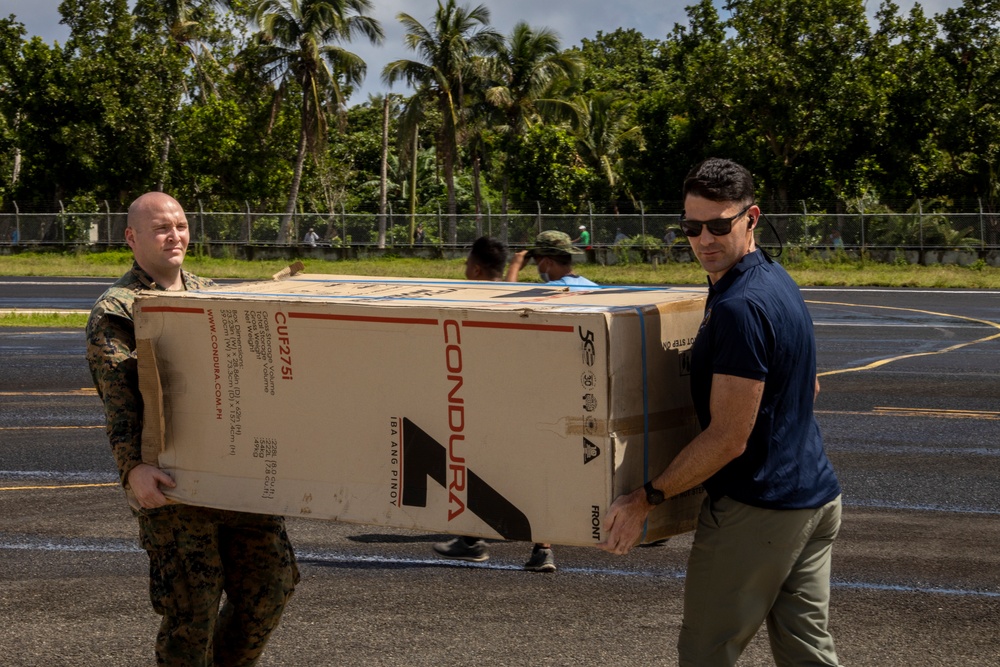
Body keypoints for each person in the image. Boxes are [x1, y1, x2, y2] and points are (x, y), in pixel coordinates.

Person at [598, 158, 842, 667]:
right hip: (815, 498)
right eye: (691, 227)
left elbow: (730, 438)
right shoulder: (775, 279)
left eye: (718, 225)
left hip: (760, 509)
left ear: (751, 218)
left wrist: (648, 498)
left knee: (706, 653)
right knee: (807, 653)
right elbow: (808, 386)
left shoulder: (739, 307)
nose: (703, 239)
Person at [86, 192, 299, 666]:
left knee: (270, 588)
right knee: (193, 609)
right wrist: (133, 470)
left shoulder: (211, 295)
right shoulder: (118, 310)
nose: (175, 235)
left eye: (180, 225)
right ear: (132, 238)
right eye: (161, 228)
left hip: (235, 476)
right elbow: (121, 406)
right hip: (173, 481)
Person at [432, 236, 559, 573]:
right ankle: (542, 550)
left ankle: (472, 542)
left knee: (468, 463)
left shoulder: (469, 298)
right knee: (533, 471)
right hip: (527, 396)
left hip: (485, 398)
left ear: (474, 269)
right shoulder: (517, 296)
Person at [504, 230, 598, 290]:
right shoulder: (593, 286)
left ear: (547, 262)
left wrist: (514, 266)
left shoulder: (553, 289)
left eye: (537, 262)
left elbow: (507, 303)